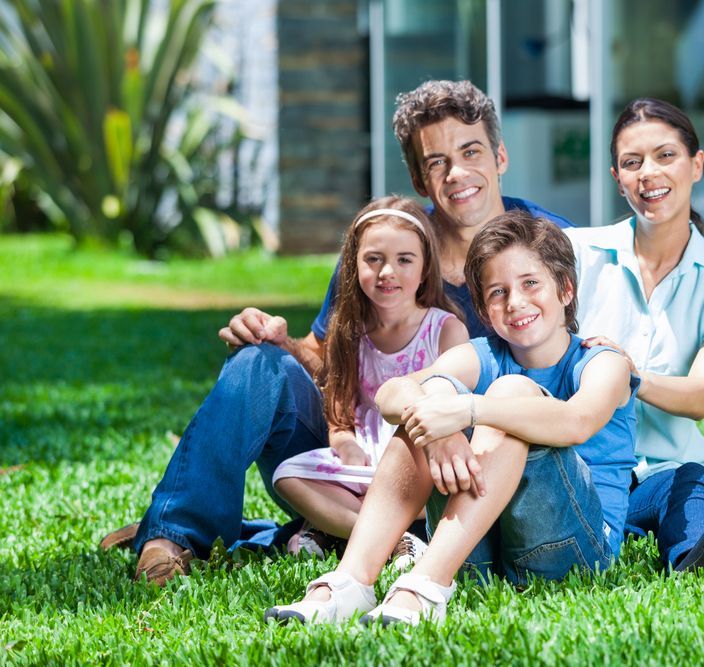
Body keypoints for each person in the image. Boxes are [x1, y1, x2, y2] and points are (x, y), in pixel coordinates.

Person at [100, 79, 574, 586]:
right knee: (257, 362)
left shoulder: (549, 244)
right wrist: (279, 340)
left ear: (500, 156)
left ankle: (306, 533)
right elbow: (335, 359)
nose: (457, 174)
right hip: (362, 449)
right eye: (436, 162)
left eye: (471, 151)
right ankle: (172, 535)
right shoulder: (389, 243)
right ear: (418, 178)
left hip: (468, 460)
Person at [264, 211, 638, 626]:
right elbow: (393, 392)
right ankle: (353, 580)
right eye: (497, 292)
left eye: (531, 283)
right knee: (430, 396)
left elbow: (577, 421)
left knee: (506, 396)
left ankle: (425, 584)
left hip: (575, 550)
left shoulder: (601, 362)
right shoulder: (483, 354)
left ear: (566, 289)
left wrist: (469, 410)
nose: (515, 303)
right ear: (483, 307)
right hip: (478, 551)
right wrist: (439, 430)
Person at [567, 98, 704, 576]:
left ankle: (695, 559)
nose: (648, 174)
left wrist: (627, 375)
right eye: (632, 163)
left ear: (696, 165)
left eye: (666, 156)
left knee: (691, 486)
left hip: (666, 473)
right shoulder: (574, 252)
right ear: (617, 179)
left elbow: (700, 395)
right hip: (581, 471)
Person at [270, 196, 468, 562]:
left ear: (425, 268)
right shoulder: (350, 332)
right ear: (354, 265)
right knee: (287, 476)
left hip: (418, 458)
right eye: (373, 259)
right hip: (363, 462)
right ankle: (394, 541)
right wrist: (346, 446)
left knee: (444, 488)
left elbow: (452, 410)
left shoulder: (445, 330)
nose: (387, 271)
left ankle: (335, 529)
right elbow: (341, 412)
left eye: (404, 260)